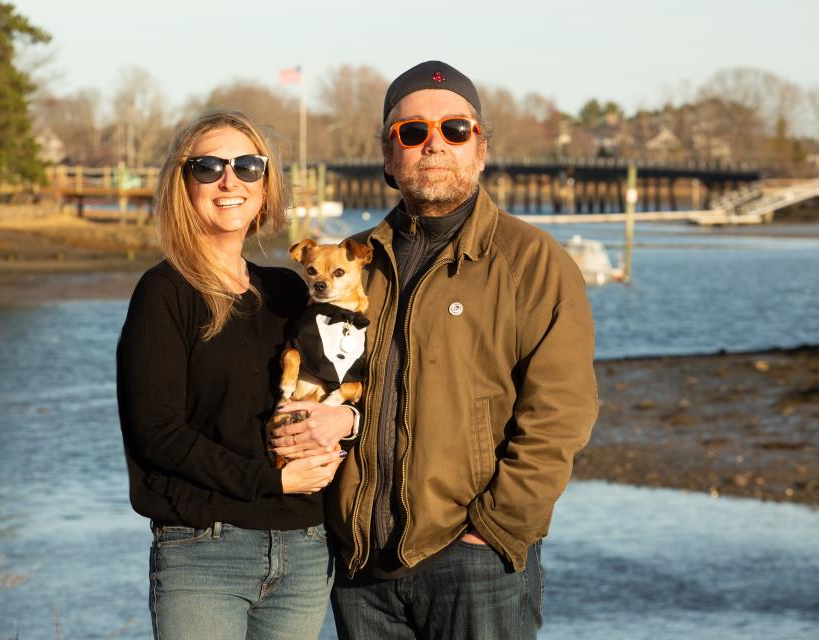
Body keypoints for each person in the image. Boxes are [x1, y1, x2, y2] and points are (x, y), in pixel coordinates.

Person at [270, 60, 599, 639]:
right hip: (361, 566)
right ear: (388, 154)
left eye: (455, 129)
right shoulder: (351, 263)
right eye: (413, 131)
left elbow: (562, 410)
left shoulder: (532, 260)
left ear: (481, 146)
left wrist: (497, 527)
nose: (434, 145)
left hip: (475, 561)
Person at [116, 110, 354, 640]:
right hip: (205, 550)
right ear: (184, 185)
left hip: (306, 548)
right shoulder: (164, 294)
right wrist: (271, 480)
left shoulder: (292, 292)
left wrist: (344, 421)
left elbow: (344, 386)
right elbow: (158, 435)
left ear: (266, 184)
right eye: (208, 167)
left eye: (248, 166)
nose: (231, 181)